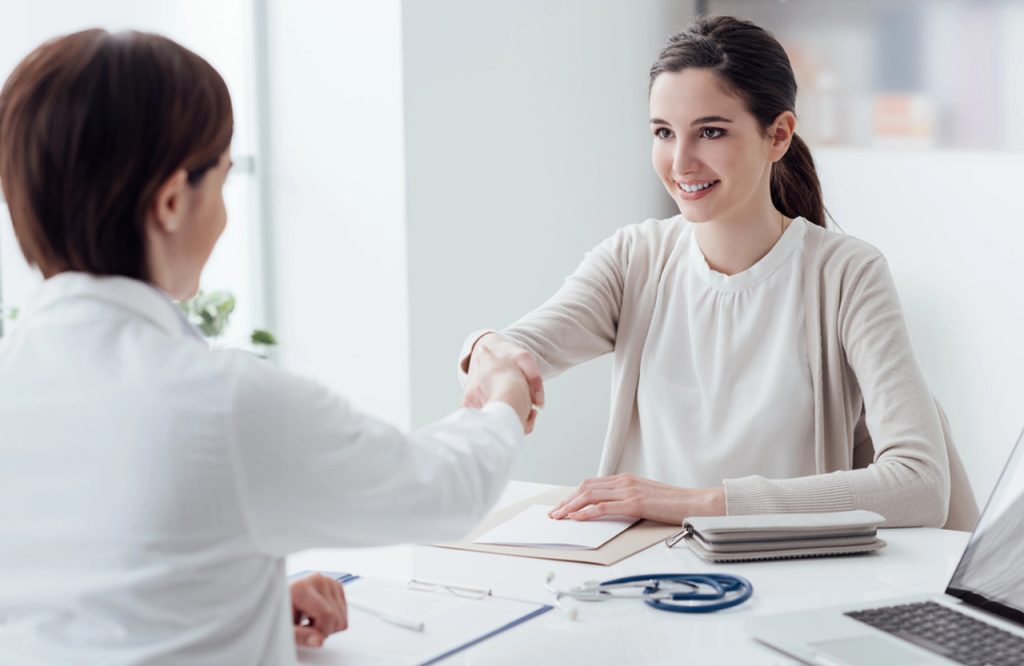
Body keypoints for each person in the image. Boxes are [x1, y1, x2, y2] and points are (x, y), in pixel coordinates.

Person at [0, 29, 535, 664]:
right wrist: (504, 393)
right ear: (172, 200)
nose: (224, 215)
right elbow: (446, 491)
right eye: (222, 180)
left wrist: (229, 598)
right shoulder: (219, 403)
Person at [460, 15, 978, 531]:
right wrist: (488, 351)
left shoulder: (846, 275)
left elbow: (919, 488)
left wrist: (696, 504)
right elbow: (521, 348)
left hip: (796, 582)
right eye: (663, 132)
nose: (681, 162)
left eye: (710, 132)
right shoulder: (634, 259)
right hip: (650, 580)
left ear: (778, 136)